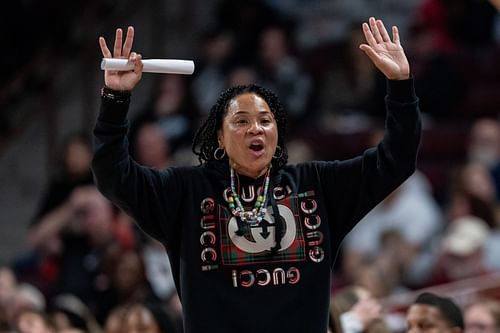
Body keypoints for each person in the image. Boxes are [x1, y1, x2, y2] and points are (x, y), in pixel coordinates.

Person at [93, 17, 420, 332]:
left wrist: (401, 86)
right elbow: (114, 177)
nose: (256, 129)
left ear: (278, 132)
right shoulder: (186, 190)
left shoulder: (317, 185)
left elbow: (397, 160)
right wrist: (115, 100)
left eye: (265, 120)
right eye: (241, 121)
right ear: (220, 137)